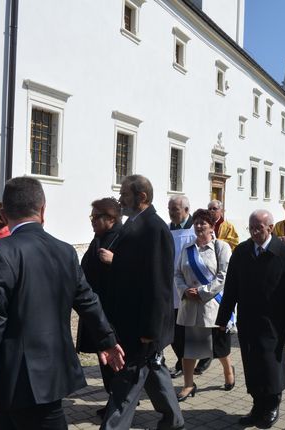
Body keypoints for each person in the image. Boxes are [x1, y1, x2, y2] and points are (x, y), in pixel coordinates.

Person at [0, 177, 124, 430]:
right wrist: (108, 340)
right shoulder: (64, 250)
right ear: (42, 210)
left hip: (19, 377)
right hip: (44, 375)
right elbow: (87, 300)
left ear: (5, 214)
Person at [100, 174, 184, 430]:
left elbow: (158, 284)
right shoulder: (134, 224)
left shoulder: (154, 229)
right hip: (130, 319)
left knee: (128, 379)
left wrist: (150, 330)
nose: (120, 199)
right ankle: (174, 419)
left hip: (142, 324)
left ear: (142, 197)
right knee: (153, 371)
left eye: (125, 194)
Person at [216, 210, 285, 429]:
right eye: (252, 228)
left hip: (273, 320)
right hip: (248, 318)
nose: (255, 232)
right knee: (252, 363)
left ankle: (272, 404)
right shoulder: (242, 252)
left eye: (259, 228)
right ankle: (257, 405)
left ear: (270, 228)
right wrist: (223, 317)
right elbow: (231, 287)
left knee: (270, 364)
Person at [175, 209, 235, 402]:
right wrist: (184, 290)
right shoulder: (187, 249)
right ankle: (188, 384)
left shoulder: (221, 247)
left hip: (213, 306)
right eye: (197, 222)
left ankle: (228, 371)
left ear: (212, 226)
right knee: (189, 348)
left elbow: (223, 276)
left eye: (203, 223)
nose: (199, 226)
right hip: (190, 306)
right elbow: (177, 274)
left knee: (219, 348)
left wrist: (201, 292)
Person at [77, 197, 123, 417]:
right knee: (105, 362)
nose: (92, 221)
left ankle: (120, 404)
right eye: (92, 216)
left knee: (116, 363)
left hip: (114, 314)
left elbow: (139, 274)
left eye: (96, 217)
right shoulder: (99, 237)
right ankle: (115, 401)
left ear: (111, 219)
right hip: (97, 311)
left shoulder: (123, 239)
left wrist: (116, 262)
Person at [197, 199, 240, 375]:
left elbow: (234, 243)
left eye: (215, 209)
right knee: (204, 328)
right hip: (203, 284)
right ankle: (204, 357)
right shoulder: (200, 232)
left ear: (221, 211)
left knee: (219, 329)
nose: (212, 211)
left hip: (220, 284)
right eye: (210, 209)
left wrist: (217, 243)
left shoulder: (227, 227)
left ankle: (228, 370)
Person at [167, 196, 196, 380]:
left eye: (175, 209)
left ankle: (186, 366)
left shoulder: (196, 229)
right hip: (170, 286)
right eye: (169, 209)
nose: (171, 212)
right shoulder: (166, 229)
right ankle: (182, 360)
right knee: (172, 330)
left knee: (185, 331)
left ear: (186, 210)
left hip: (188, 286)